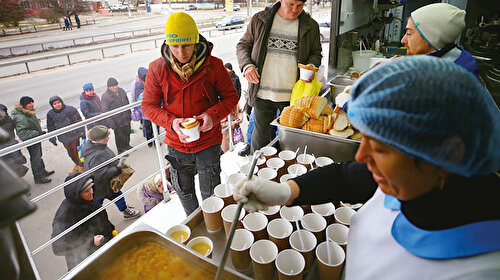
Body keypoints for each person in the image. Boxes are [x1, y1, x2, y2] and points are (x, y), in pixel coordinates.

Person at [234, 56, 500, 278]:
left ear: (447, 154)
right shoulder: (412, 178)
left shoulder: (480, 269)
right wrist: (287, 191)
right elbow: (345, 178)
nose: (361, 156)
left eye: (380, 148)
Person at [142, 12, 239, 216]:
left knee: (211, 191)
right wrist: (172, 122)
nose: (181, 52)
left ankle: (212, 222)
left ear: (196, 41)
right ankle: (194, 224)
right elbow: (148, 106)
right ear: (168, 44)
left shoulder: (214, 65)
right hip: (177, 144)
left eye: (186, 45)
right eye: (175, 46)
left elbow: (231, 97)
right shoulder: (156, 69)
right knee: (183, 190)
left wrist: (212, 116)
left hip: (208, 142)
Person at [236, 0, 322, 153]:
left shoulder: (311, 26)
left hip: (293, 97)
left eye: (300, 6)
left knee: (289, 141)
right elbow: (243, 45)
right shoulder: (260, 19)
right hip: (262, 93)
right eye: (291, 4)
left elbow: (316, 54)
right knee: (260, 141)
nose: (295, 10)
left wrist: (311, 66)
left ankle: (285, 173)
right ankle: (258, 172)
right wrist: (247, 65)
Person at [51, 172, 115, 270]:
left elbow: (103, 221)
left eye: (91, 187)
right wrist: (90, 241)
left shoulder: (90, 202)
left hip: (104, 251)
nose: (91, 192)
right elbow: (57, 247)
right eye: (86, 191)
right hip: (84, 262)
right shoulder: (64, 215)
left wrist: (111, 231)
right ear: (77, 194)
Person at [400, 3, 479, 76]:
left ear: (429, 38)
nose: (403, 40)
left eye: (409, 34)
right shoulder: (459, 60)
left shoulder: (440, 78)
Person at [80, 125, 140, 220]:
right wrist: (117, 170)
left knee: (113, 197)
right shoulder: (97, 154)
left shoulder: (95, 146)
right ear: (99, 139)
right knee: (102, 202)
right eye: (106, 137)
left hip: (102, 184)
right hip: (102, 185)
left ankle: (122, 210)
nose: (108, 138)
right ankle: (97, 220)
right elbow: (99, 174)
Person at [11, 96, 54, 184]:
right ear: (24, 105)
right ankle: (38, 178)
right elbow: (22, 133)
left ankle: (42, 171)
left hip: (35, 139)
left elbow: (30, 122)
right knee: (35, 159)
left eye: (32, 102)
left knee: (39, 156)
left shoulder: (27, 112)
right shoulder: (20, 117)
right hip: (31, 141)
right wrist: (37, 133)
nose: (31, 104)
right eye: (29, 103)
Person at [46, 96, 86, 174]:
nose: (57, 105)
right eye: (55, 104)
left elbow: (78, 121)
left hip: (74, 136)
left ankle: (82, 167)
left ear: (61, 102)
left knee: (76, 152)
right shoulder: (50, 114)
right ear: (52, 105)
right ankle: (78, 164)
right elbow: (50, 126)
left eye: (58, 102)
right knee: (70, 153)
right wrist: (52, 138)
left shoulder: (70, 109)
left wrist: (82, 132)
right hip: (63, 138)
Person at [101, 78, 132, 155]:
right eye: (113, 86)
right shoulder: (105, 96)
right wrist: (112, 124)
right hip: (117, 121)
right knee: (119, 136)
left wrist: (129, 114)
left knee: (127, 133)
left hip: (126, 118)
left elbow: (127, 103)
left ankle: (127, 146)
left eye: (116, 85)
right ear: (109, 87)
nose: (115, 87)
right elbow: (105, 112)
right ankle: (120, 150)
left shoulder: (121, 91)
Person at [0, 104, 28, 177]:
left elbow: (19, 126)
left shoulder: (9, 120)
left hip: (12, 145)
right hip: (2, 150)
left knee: (18, 166)